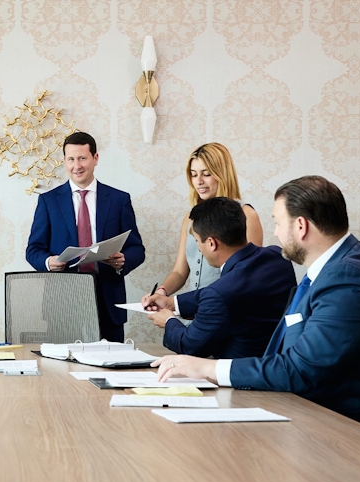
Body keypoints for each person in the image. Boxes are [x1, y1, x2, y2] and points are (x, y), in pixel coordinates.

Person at [152, 176, 360, 435]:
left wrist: (208, 368)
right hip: (309, 408)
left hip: (345, 428)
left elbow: (301, 370)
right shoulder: (342, 264)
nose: (275, 232)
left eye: (277, 222)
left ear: (301, 226)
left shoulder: (348, 279)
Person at [26, 132, 145, 342]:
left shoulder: (119, 200)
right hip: (63, 299)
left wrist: (122, 261)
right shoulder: (48, 201)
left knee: (108, 366)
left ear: (95, 158)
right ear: (64, 161)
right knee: (62, 370)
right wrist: (48, 262)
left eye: (82, 158)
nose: (76, 166)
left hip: (107, 298)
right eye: (71, 159)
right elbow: (33, 249)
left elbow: (137, 249)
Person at [141, 197, 296, 359]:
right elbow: (224, 294)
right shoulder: (277, 257)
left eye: (196, 241)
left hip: (237, 376)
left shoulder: (220, 293)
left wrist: (168, 322)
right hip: (279, 363)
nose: (198, 248)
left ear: (211, 243)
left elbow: (190, 346)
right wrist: (174, 303)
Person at [152, 143, 262, 299]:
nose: (199, 181)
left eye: (206, 174)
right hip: (193, 313)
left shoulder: (246, 214)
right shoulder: (190, 218)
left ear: (222, 174)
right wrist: (161, 292)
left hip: (227, 312)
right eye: (194, 174)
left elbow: (250, 276)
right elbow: (179, 271)